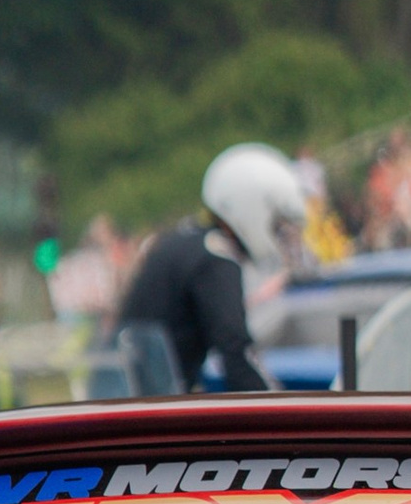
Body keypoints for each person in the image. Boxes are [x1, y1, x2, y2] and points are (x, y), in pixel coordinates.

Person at [113, 145, 309, 394]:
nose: (276, 233)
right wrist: (286, 413)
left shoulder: (187, 242)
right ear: (252, 208)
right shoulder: (215, 259)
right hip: (145, 407)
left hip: (130, 397)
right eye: (275, 222)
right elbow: (237, 355)